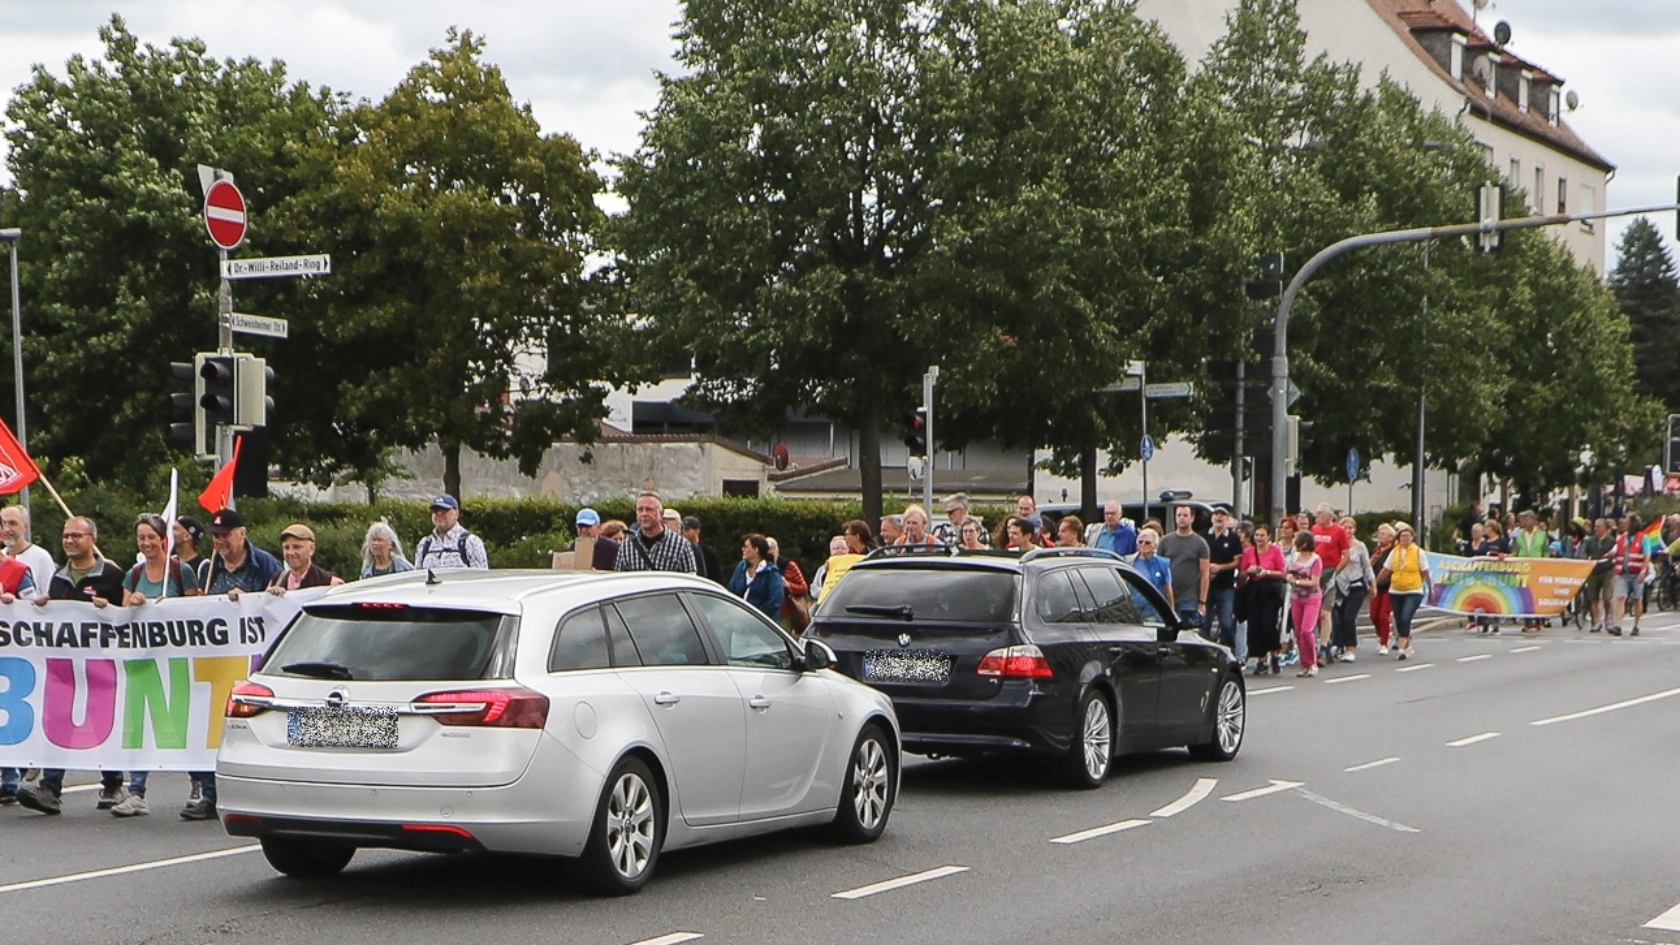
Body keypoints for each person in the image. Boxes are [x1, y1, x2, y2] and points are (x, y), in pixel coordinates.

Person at [14, 517, 128, 816]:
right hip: (66, 666)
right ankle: (50, 789)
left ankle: (113, 783)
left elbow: (129, 616)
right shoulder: (60, 578)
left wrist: (111, 609)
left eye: (76, 535)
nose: (69, 540)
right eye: (65, 535)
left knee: (102, 722)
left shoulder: (112, 575)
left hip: (104, 662)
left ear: (92, 539)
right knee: (60, 721)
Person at [1376, 522, 1430, 660]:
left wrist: (1431, 588)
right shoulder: (1395, 552)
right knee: (1399, 619)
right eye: (1402, 536)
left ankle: (1401, 648)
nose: (1404, 539)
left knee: (1406, 617)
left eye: (1407, 536)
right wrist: (1374, 583)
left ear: (1412, 537)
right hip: (1396, 590)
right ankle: (1407, 644)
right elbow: (1386, 569)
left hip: (1414, 590)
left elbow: (1425, 572)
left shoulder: (1418, 552)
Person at [202, 508, 284, 598]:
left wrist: (246, 600)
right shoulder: (209, 568)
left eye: (226, 535)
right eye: (216, 536)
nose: (220, 541)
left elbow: (277, 602)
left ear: (242, 533)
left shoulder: (265, 563)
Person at [1241, 522, 1287, 675]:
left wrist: (1267, 572)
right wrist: (1249, 571)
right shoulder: (1249, 552)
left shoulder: (1275, 551)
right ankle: (1261, 660)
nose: (1259, 538)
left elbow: (1282, 573)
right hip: (1254, 591)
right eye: (1257, 535)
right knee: (1255, 626)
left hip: (1270, 592)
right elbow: (1241, 574)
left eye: (1262, 535)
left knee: (1268, 623)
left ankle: (1274, 654)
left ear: (1268, 537)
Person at [613, 492, 698, 573]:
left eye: (649, 509)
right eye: (640, 509)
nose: (644, 513)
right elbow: (620, 581)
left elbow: (690, 580)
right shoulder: (626, 546)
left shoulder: (681, 545)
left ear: (661, 513)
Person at [1159, 505, 1211, 635]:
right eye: (1179, 515)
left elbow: (1205, 573)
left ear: (1192, 518)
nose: (1182, 519)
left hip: (1189, 596)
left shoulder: (1200, 543)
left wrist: (1202, 601)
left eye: (1185, 515)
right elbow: (1159, 567)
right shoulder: (1165, 541)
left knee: (1188, 632)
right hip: (1167, 595)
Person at [122, 514, 196, 605]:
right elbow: (124, 613)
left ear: (163, 539)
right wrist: (131, 603)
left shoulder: (182, 571)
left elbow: (194, 609)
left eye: (151, 537)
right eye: (141, 538)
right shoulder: (133, 575)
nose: (146, 543)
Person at [1330, 516, 1375, 662]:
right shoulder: (1334, 544)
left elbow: (1366, 565)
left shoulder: (1360, 546)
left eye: (1351, 528)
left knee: (1349, 617)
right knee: (1338, 618)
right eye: (1345, 527)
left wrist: (1372, 583)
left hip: (1356, 584)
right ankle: (1337, 644)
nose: (1348, 531)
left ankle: (1351, 648)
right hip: (1338, 585)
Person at [1310, 504, 1350, 662]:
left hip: (1329, 574)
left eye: (1320, 513)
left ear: (1329, 515)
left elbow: (1346, 554)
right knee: (1315, 614)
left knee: (1325, 613)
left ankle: (1324, 646)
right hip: (1314, 574)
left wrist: (1336, 571)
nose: (1317, 516)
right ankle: (1315, 644)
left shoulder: (1339, 531)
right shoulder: (1314, 529)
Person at [1205, 508, 1243, 660]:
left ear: (1227, 519)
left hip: (1226, 587)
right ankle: (1207, 655)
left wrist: (1219, 568)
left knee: (1226, 623)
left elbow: (1237, 562)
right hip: (1207, 586)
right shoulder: (1203, 535)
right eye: (1216, 514)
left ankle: (1230, 651)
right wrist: (1208, 569)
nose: (1218, 517)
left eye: (1222, 515)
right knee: (1205, 624)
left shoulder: (1233, 538)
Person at [1285, 531, 1324, 678]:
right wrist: (1290, 575)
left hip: (1312, 597)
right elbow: (1290, 572)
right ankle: (1304, 663)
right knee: (1299, 632)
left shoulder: (1315, 560)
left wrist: (1297, 581)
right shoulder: (1295, 557)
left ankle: (1313, 662)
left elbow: (1315, 581)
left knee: (1307, 631)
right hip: (1296, 598)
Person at [414, 494, 489, 570]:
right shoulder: (424, 544)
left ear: (456, 513)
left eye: (444, 510)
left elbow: (481, 577)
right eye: (435, 510)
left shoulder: (471, 542)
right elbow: (417, 577)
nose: (439, 514)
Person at [267, 524, 345, 594]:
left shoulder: (331, 583)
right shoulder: (277, 581)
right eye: (286, 547)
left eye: (296, 547)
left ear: (312, 549)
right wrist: (269, 598)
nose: (290, 552)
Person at [1, 503, 56, 598]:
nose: (6, 529)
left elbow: (50, 595)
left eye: (12, 523)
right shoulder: (1, 556)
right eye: (3, 524)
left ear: (25, 526)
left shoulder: (41, 557)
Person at [1608, 514, 1649, 636]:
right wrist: (1608, 555)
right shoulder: (1622, 538)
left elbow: (1647, 555)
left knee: (1637, 599)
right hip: (1623, 573)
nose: (1624, 524)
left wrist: (1643, 570)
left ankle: (1636, 625)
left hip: (1636, 573)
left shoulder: (1643, 538)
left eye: (1627, 522)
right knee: (1620, 597)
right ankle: (1618, 626)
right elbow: (1615, 551)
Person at [728, 533, 785, 619]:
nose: (743, 549)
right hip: (739, 620)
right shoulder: (741, 567)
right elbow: (731, 591)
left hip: (762, 624)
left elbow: (776, 601)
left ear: (756, 550)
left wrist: (756, 615)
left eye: (746, 547)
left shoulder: (771, 572)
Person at [1511, 510, 1550, 631]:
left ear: (1533, 521)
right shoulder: (1519, 535)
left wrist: (1545, 565)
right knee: (1525, 595)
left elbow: (1545, 552)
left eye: (1526, 519)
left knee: (1536, 594)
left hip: (1537, 567)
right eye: (1523, 519)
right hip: (1523, 568)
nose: (1524, 522)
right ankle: (1528, 621)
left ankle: (1539, 620)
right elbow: (1515, 552)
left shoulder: (1541, 535)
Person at [1473, 519, 1511, 634]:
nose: (1484, 529)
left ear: (1492, 528)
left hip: (1497, 575)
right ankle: (1484, 623)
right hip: (1485, 574)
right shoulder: (1484, 543)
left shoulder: (1502, 542)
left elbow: (1510, 554)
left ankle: (1495, 624)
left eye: (1486, 527)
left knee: (1495, 599)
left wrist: (1504, 556)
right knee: (1484, 598)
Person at [765, 536, 810, 630]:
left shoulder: (789, 565)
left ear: (776, 550)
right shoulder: (762, 566)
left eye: (771, 551)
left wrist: (788, 585)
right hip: (767, 611)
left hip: (786, 612)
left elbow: (804, 587)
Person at [1580, 518, 1616, 633]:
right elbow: (1586, 555)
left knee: (1607, 597)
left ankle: (1608, 618)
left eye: (1599, 527)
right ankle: (1597, 621)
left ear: (1605, 528)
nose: (1596, 529)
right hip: (1593, 571)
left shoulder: (1611, 541)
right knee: (1593, 598)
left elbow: (1616, 555)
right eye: (1595, 527)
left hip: (1607, 571)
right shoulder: (1590, 541)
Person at [1369, 523, 1397, 654]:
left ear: (1390, 537)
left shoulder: (1393, 551)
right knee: (1374, 614)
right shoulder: (1377, 551)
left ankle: (1384, 643)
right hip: (1376, 585)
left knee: (1383, 615)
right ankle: (1381, 635)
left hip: (1389, 585)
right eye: (1379, 533)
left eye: (1383, 534)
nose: (1380, 536)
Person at [1129, 528, 1172, 601]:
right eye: (1140, 542)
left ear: (1155, 545)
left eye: (1147, 543)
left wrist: (1171, 610)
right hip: (1134, 606)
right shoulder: (1129, 561)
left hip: (1155, 607)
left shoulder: (1162, 563)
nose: (1143, 544)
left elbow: (1167, 589)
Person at [683, 516, 725, 585]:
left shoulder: (708, 552)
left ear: (697, 531)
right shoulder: (683, 550)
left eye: (687, 529)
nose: (684, 532)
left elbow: (717, 577)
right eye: (683, 529)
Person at [173, 515, 210, 588]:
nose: (170, 533)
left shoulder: (203, 566)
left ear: (186, 536)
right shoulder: (169, 561)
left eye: (175, 529)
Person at [811, 537, 849, 601]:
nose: (839, 551)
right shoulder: (822, 569)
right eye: (836, 548)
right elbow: (814, 588)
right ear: (831, 551)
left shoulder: (853, 567)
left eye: (843, 548)